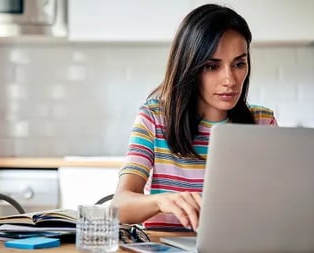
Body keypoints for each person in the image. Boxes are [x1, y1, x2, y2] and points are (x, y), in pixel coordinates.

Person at [111, 3, 277, 232]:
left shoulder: (262, 122)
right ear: (189, 66)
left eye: (239, 64)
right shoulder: (154, 118)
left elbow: (278, 204)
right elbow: (119, 207)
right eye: (212, 66)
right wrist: (161, 201)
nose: (230, 79)